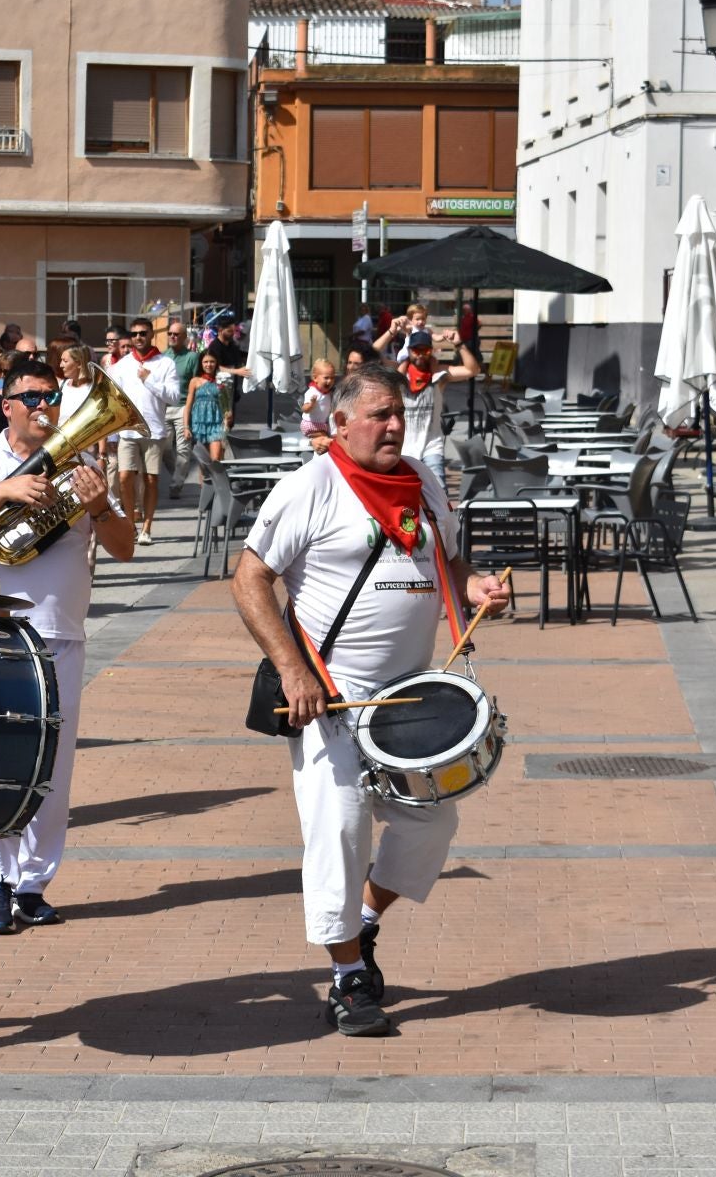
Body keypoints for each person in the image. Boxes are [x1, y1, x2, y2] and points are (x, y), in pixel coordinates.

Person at [231, 363, 508, 1036]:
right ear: (340, 422)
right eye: (379, 414)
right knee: (342, 829)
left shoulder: (423, 482)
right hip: (330, 695)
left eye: (399, 415)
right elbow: (249, 579)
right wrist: (293, 672)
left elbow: (448, 561)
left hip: (411, 694)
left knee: (431, 824)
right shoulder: (310, 488)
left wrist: (474, 589)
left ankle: (365, 920)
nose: (392, 425)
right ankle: (347, 977)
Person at [0, 358, 135, 933]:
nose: (45, 405)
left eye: (52, 394)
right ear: (7, 405)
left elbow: (123, 548)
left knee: (53, 767)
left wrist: (99, 505)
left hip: (62, 633)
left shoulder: (85, 465)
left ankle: (33, 883)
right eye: (32, 396)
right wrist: (5, 491)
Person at [104, 319, 180, 545]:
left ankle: (147, 526)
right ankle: (130, 524)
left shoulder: (165, 363)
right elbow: (113, 401)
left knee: (151, 480)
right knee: (125, 477)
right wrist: (112, 434)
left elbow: (175, 397)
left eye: (143, 333)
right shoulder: (122, 365)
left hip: (154, 430)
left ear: (151, 335)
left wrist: (150, 381)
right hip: (127, 431)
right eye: (135, 333)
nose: (138, 337)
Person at [396, 328, 481, 482]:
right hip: (405, 448)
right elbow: (374, 357)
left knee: (439, 491)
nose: (420, 354)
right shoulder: (400, 377)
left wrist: (459, 344)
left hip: (431, 447)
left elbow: (472, 370)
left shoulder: (439, 375)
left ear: (431, 351)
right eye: (416, 350)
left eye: (425, 350)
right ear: (409, 351)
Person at [165, 318, 205, 498]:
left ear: (184, 337)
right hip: (164, 407)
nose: (173, 337)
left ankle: (176, 484)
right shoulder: (163, 356)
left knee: (183, 448)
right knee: (164, 449)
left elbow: (197, 383)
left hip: (183, 407)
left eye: (176, 334)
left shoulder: (192, 357)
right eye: (170, 334)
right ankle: (180, 473)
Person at [181, 351, 228, 464]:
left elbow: (226, 409)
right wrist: (186, 427)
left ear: (216, 363)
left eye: (212, 361)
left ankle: (218, 481)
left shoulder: (221, 381)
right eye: (205, 362)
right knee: (203, 464)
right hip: (199, 425)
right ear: (201, 364)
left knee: (215, 461)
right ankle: (204, 483)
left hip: (216, 425)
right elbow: (188, 407)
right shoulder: (195, 381)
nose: (208, 364)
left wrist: (225, 431)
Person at [298, 359, 338, 454]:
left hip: (321, 425)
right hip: (311, 424)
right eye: (326, 378)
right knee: (325, 440)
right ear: (315, 378)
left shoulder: (328, 393)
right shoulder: (312, 392)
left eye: (332, 378)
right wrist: (311, 404)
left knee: (326, 441)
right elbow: (304, 409)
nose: (330, 381)